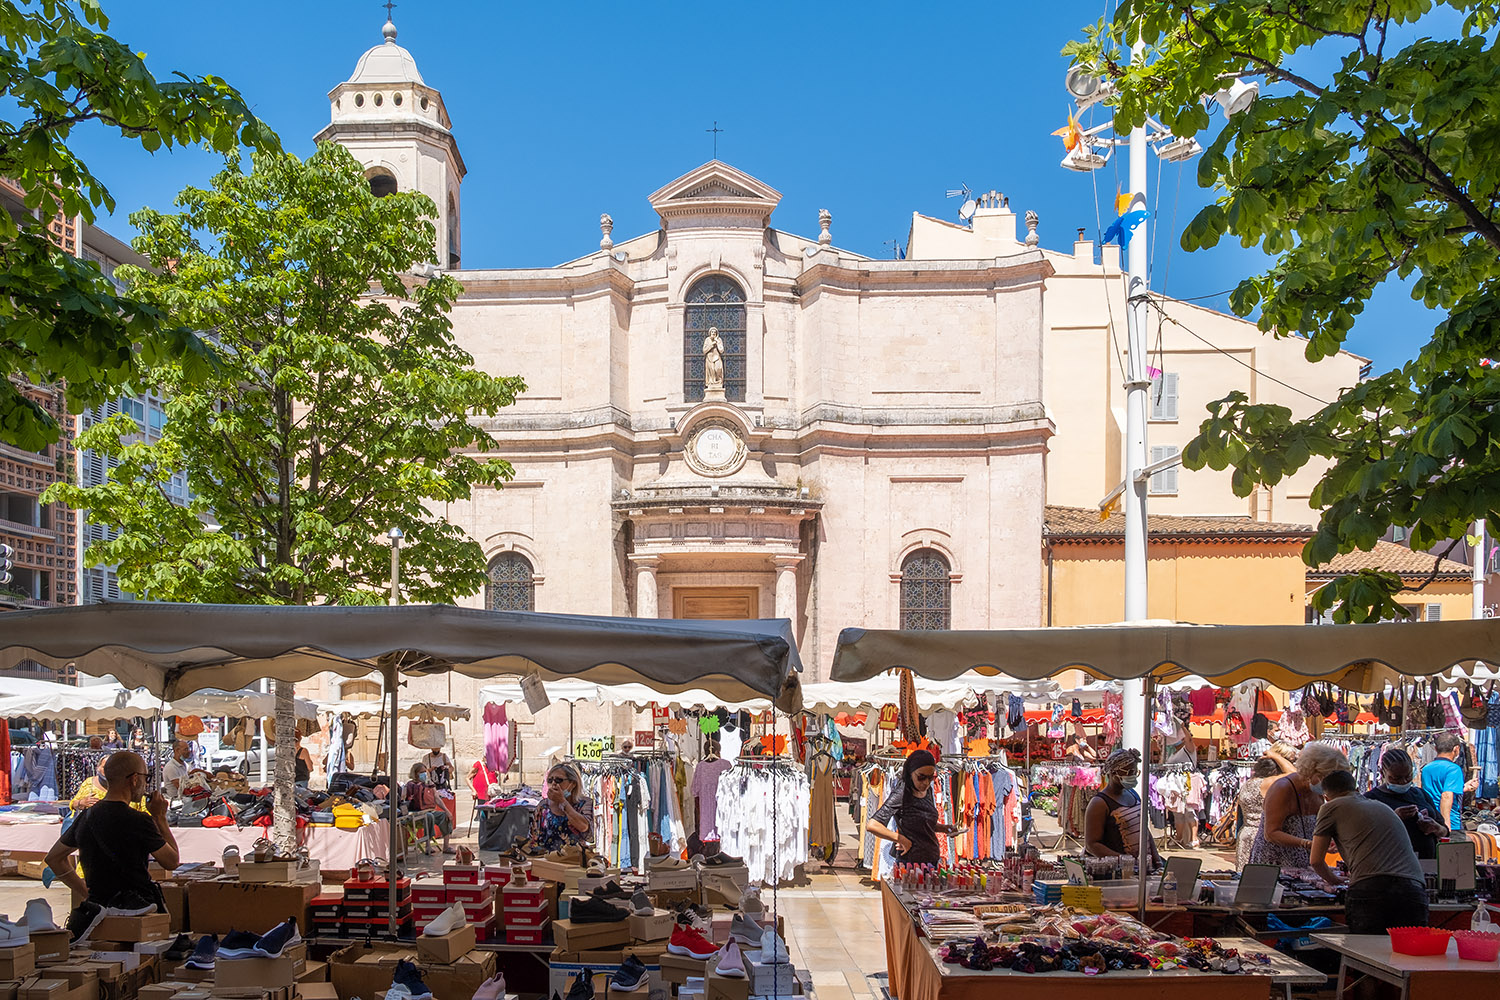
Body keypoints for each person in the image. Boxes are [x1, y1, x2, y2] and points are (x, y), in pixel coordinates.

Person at [44, 751, 180, 936]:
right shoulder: (139, 820)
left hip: (98, 911)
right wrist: (160, 817)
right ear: (134, 779)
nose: (145, 785)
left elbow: (54, 858)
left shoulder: (87, 816)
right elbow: (171, 861)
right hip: (137, 911)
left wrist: (85, 892)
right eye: (145, 778)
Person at [1311, 769, 1429, 932]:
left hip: (1371, 890)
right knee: (1408, 953)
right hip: (1413, 889)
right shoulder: (1381, 806)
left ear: (1326, 797)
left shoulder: (1330, 807)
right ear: (1357, 789)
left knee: (1366, 952)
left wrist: (1335, 881)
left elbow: (1316, 861)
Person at [1248, 741, 1349, 868]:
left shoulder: (1317, 793)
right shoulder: (1282, 788)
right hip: (1273, 862)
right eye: (1325, 777)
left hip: (1302, 863)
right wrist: (1307, 844)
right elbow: (1271, 833)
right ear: (1312, 771)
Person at [865, 749, 962, 866]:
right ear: (911, 773)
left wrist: (945, 828)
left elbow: (923, 823)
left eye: (930, 777)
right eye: (921, 777)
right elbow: (873, 825)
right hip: (910, 864)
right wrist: (900, 839)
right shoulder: (902, 793)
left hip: (932, 859)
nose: (926, 782)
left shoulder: (928, 790)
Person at [1085, 748, 1161, 868]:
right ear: (1113, 773)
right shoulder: (1099, 803)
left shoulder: (1133, 794)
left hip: (1142, 867)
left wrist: (1157, 860)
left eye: (1135, 772)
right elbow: (1092, 844)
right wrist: (1125, 861)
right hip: (1119, 870)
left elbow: (1144, 830)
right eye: (1129, 772)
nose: (1133, 776)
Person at [1365, 747, 1446, 859]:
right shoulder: (1371, 799)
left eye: (1408, 776)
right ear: (1382, 773)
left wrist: (1435, 827)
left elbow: (1445, 831)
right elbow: (1366, 837)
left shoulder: (1421, 794)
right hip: (1392, 865)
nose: (1403, 782)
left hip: (1427, 863)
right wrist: (1394, 817)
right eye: (1396, 778)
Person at [1237, 751, 1293, 868]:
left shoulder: (1248, 784)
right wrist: (1275, 755)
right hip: (1261, 835)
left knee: (1244, 875)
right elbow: (1294, 774)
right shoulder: (1267, 783)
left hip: (1246, 833)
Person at [530, 762, 594, 852]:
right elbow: (534, 835)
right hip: (546, 860)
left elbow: (584, 827)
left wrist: (562, 802)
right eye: (550, 780)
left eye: (558, 780)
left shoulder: (584, 803)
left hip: (572, 859)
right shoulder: (543, 806)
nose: (553, 784)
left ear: (572, 784)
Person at [403, 762, 455, 854]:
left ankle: (446, 846)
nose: (424, 774)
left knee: (444, 816)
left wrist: (447, 811)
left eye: (425, 771)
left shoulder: (429, 784)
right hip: (415, 814)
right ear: (415, 774)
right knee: (429, 816)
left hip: (429, 810)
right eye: (421, 772)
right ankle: (428, 846)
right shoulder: (410, 785)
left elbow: (437, 798)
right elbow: (404, 800)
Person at [1422, 731, 1467, 833]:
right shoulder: (1453, 769)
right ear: (1456, 749)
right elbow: (1446, 795)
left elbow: (1432, 790)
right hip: (1450, 822)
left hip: (1431, 818)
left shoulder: (1426, 769)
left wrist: (1465, 788)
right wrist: (1446, 825)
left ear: (1436, 749)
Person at [161, 740, 193, 805]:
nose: (188, 751)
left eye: (188, 749)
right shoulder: (171, 767)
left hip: (184, 800)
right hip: (176, 802)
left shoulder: (185, 764)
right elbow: (181, 788)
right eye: (186, 749)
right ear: (177, 750)